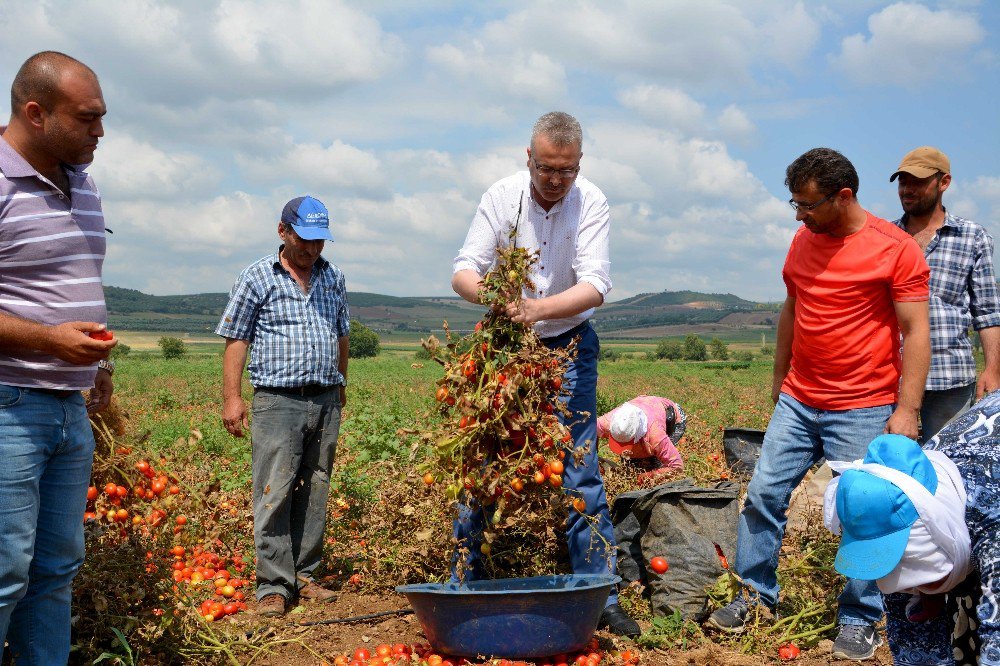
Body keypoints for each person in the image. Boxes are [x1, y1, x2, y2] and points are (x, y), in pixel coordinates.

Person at [706, 147, 931, 660]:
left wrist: (907, 409)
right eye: (796, 205)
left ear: (843, 196)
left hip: (864, 404)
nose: (801, 216)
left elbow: (916, 331)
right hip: (799, 400)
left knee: (864, 514)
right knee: (763, 494)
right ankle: (754, 596)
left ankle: (861, 618)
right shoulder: (804, 240)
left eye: (808, 205)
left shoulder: (895, 249)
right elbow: (792, 307)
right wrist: (780, 376)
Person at [451, 111, 639, 637]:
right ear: (528, 158)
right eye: (547, 168)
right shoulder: (500, 195)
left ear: (579, 165)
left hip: (571, 347)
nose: (556, 180)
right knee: (485, 458)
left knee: (578, 467)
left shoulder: (591, 201)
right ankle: (465, 578)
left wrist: (538, 309)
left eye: (568, 170)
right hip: (505, 351)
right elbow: (464, 269)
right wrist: (495, 296)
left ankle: (600, 592)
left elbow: (596, 284)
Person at [0, 51, 117, 663]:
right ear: (37, 113)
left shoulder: (84, 182)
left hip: (69, 407)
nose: (101, 131)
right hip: (9, 406)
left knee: (54, 571)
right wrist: (49, 342)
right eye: (89, 118)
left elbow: (77, 283)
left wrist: (98, 367)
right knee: (2, 575)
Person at [217, 196, 349, 618]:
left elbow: (342, 334)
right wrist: (232, 397)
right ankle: (274, 584)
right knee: (273, 491)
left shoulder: (334, 278)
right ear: (283, 231)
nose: (312, 249)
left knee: (315, 487)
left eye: (319, 242)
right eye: (304, 239)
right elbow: (236, 338)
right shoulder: (257, 277)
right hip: (278, 400)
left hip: (325, 397)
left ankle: (306, 575)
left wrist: (341, 384)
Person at [823, 406, 1000, 666]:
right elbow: (914, 643)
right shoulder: (899, 495)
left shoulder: (991, 521)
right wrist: (926, 593)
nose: (909, 587)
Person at [889, 146, 1000, 443]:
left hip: (950, 376)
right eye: (902, 182)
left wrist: (993, 367)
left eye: (917, 182)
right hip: (893, 377)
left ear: (944, 182)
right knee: (891, 465)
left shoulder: (972, 236)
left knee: (947, 464)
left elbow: (987, 312)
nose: (907, 190)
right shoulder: (887, 238)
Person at [597, 396, 686, 480]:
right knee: (631, 470)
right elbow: (588, 433)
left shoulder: (655, 436)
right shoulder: (609, 421)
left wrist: (648, 476)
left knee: (655, 467)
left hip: (672, 419)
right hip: (648, 406)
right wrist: (593, 460)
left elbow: (677, 466)